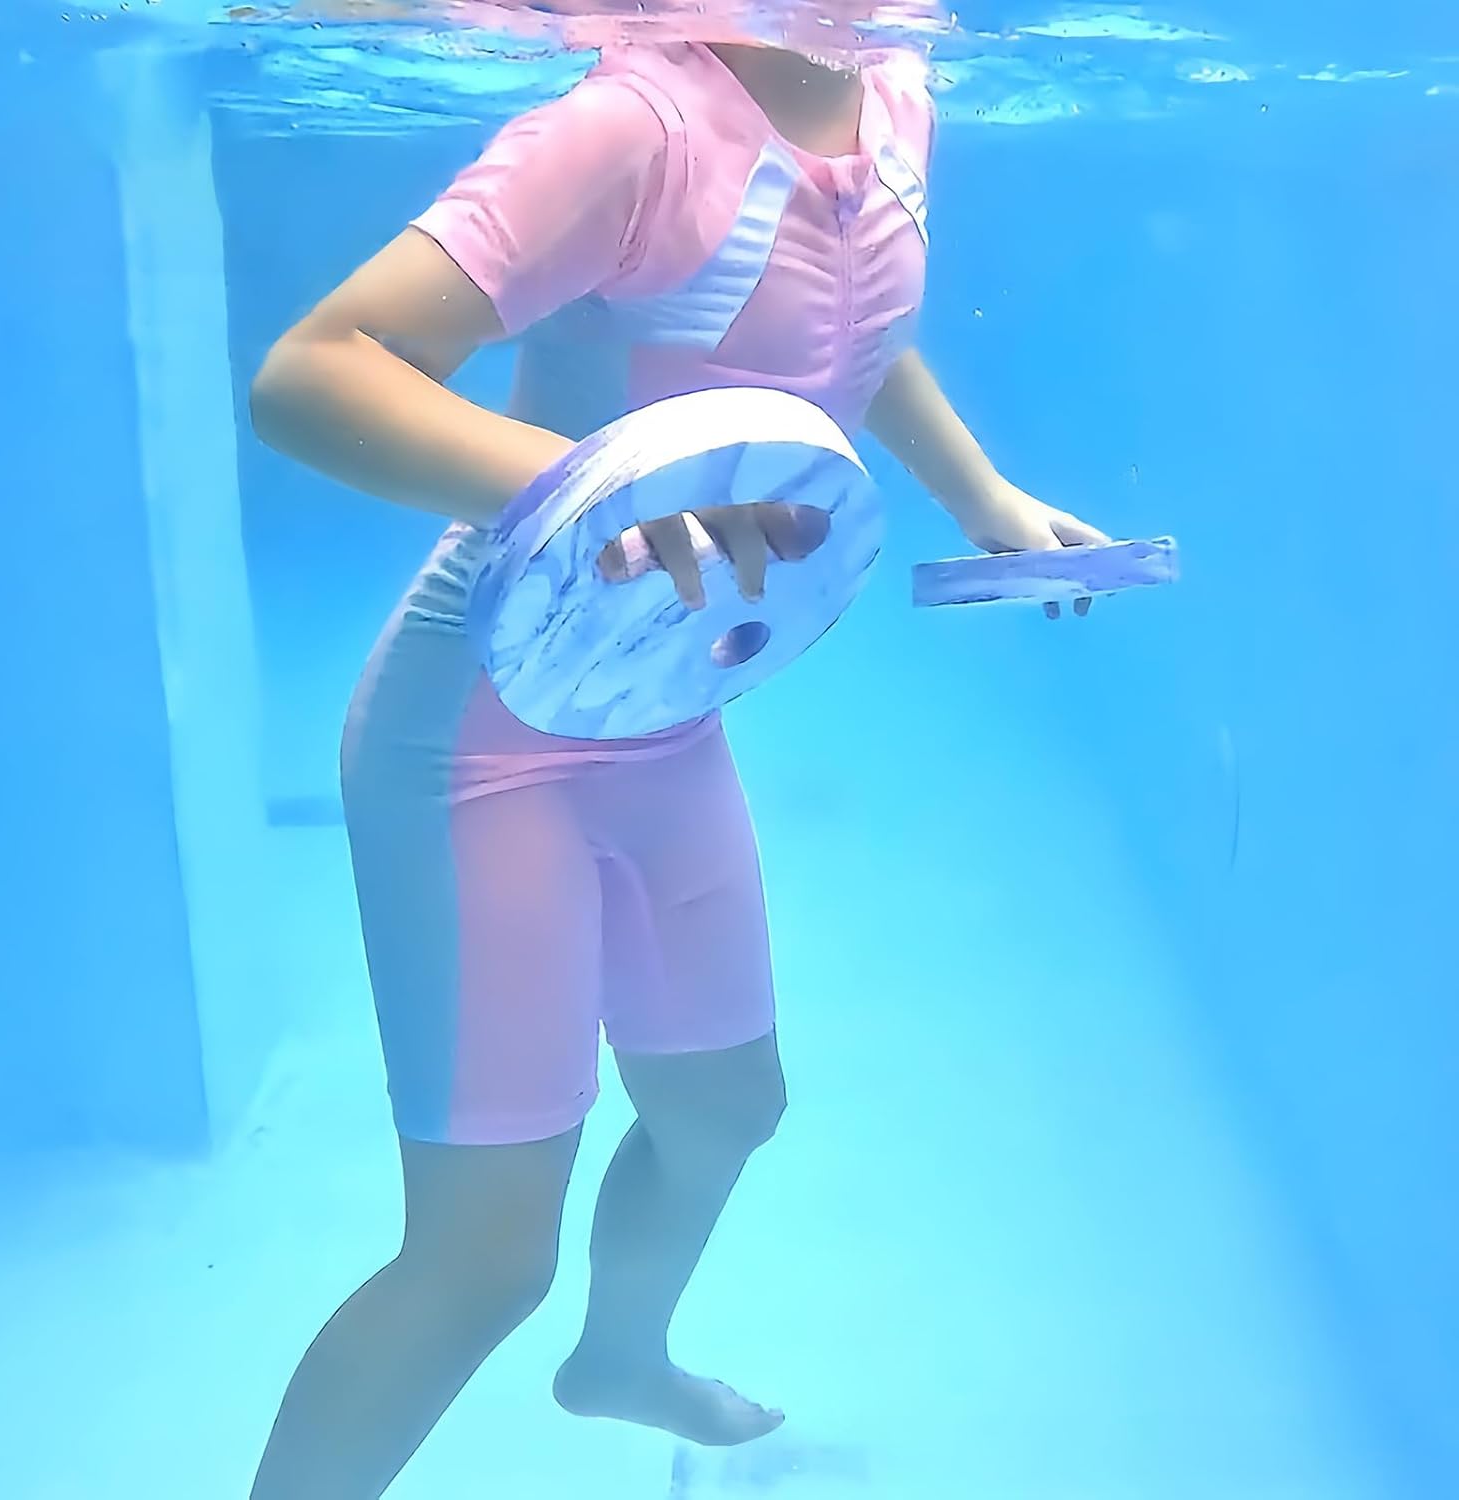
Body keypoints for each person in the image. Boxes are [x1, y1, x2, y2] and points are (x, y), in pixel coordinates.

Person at [246, 16, 1106, 1499]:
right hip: (483, 733)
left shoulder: (893, 93)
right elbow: (310, 376)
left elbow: (850, 334)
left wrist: (984, 496)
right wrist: (612, 492)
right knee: (481, 1257)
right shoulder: (635, 129)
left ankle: (619, 1361)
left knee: (723, 1111)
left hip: (662, 710)